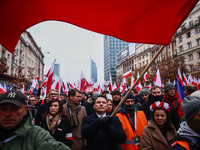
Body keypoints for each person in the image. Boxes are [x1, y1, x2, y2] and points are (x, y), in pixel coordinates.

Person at [0, 90, 70, 150]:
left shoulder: (37, 135)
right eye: (3, 109)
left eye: (14, 109)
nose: (8, 114)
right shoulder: (44, 118)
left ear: (25, 110)